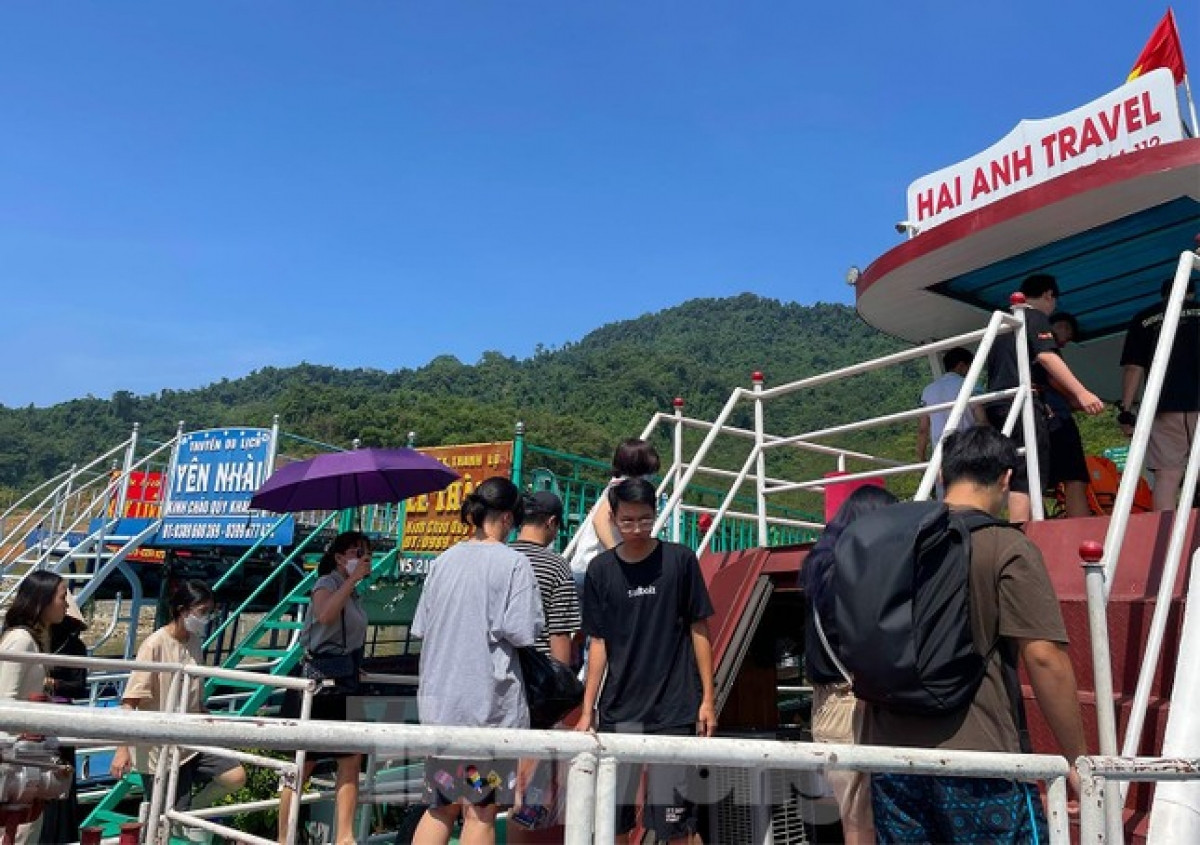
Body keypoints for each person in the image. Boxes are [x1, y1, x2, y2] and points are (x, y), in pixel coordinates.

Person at [863, 427, 1087, 843]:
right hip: (980, 759)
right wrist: (1077, 758)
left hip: (891, 757)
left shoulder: (890, 544)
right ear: (1006, 478)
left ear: (944, 476)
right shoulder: (1006, 546)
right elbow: (1044, 658)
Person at [575, 477, 716, 845]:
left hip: (674, 709)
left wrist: (708, 699)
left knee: (678, 823)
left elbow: (699, 630)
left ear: (656, 515)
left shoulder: (680, 560)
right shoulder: (601, 570)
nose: (636, 528)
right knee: (613, 818)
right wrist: (588, 709)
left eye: (645, 519)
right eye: (627, 521)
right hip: (620, 710)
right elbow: (599, 643)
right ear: (613, 519)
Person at [411, 477, 543, 845]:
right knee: (480, 811)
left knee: (440, 806)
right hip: (486, 711)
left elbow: (421, 626)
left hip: (440, 709)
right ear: (505, 518)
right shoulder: (514, 564)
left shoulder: (443, 561)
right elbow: (523, 634)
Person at [802, 485, 898, 845]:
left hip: (827, 707)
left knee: (855, 819)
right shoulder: (860, 578)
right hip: (856, 706)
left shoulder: (819, 573)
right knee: (865, 821)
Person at [111, 581, 246, 835]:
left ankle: (190, 812)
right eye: (202, 611)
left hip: (192, 737)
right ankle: (172, 823)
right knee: (164, 822)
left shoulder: (194, 642)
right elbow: (130, 700)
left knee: (235, 775)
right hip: (160, 747)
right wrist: (122, 749)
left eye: (210, 611)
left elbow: (195, 693)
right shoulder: (155, 644)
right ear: (183, 610)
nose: (207, 618)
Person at [985, 273, 1105, 521]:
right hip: (1025, 403)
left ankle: (1019, 534)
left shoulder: (1001, 326)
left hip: (1000, 404)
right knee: (1032, 477)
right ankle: (1052, 533)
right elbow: (1046, 357)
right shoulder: (1033, 316)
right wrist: (1081, 393)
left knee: (1021, 472)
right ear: (1049, 295)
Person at [277, 531, 372, 845]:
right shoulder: (328, 583)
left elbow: (348, 635)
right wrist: (351, 579)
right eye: (358, 552)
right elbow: (325, 614)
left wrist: (353, 663)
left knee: (351, 756)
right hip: (317, 682)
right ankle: (284, 836)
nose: (365, 558)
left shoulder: (354, 592)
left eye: (367, 553)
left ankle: (345, 836)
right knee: (304, 761)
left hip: (344, 678)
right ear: (340, 557)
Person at [1119, 277, 1200, 511]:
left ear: (1163, 295)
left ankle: (1165, 540)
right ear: (1192, 294)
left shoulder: (1143, 319)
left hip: (1163, 406)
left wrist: (1126, 411)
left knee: (1167, 477)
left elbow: (1133, 368)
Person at [0, 571, 69, 844]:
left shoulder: (33, 640)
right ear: (42, 600)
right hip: (17, 761)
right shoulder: (22, 641)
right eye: (62, 597)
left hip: (26, 758)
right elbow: (6, 698)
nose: (66, 604)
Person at [568, 438, 661, 594]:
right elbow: (600, 520)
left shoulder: (617, 487)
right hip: (592, 567)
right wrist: (618, 554)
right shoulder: (620, 489)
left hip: (585, 566)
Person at [511, 491, 582, 665]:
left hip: (499, 669)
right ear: (551, 522)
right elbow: (559, 632)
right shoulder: (556, 566)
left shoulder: (501, 557)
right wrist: (561, 682)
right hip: (538, 673)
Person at [41, 593, 90, 844]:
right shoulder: (38, 642)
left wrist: (54, 683)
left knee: (61, 780)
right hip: (38, 719)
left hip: (60, 720)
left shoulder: (76, 648)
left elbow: (80, 687)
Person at [1042, 311, 1093, 518]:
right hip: (1058, 420)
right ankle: (1082, 527)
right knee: (1075, 477)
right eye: (1068, 331)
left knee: (1034, 482)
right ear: (1060, 326)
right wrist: (1080, 397)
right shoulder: (1048, 350)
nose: (1068, 338)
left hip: (1038, 419)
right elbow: (1054, 379)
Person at [916, 346, 983, 463]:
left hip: (941, 456)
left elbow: (923, 429)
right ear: (961, 365)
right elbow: (982, 420)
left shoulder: (928, 390)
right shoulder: (970, 385)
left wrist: (921, 459)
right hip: (968, 450)